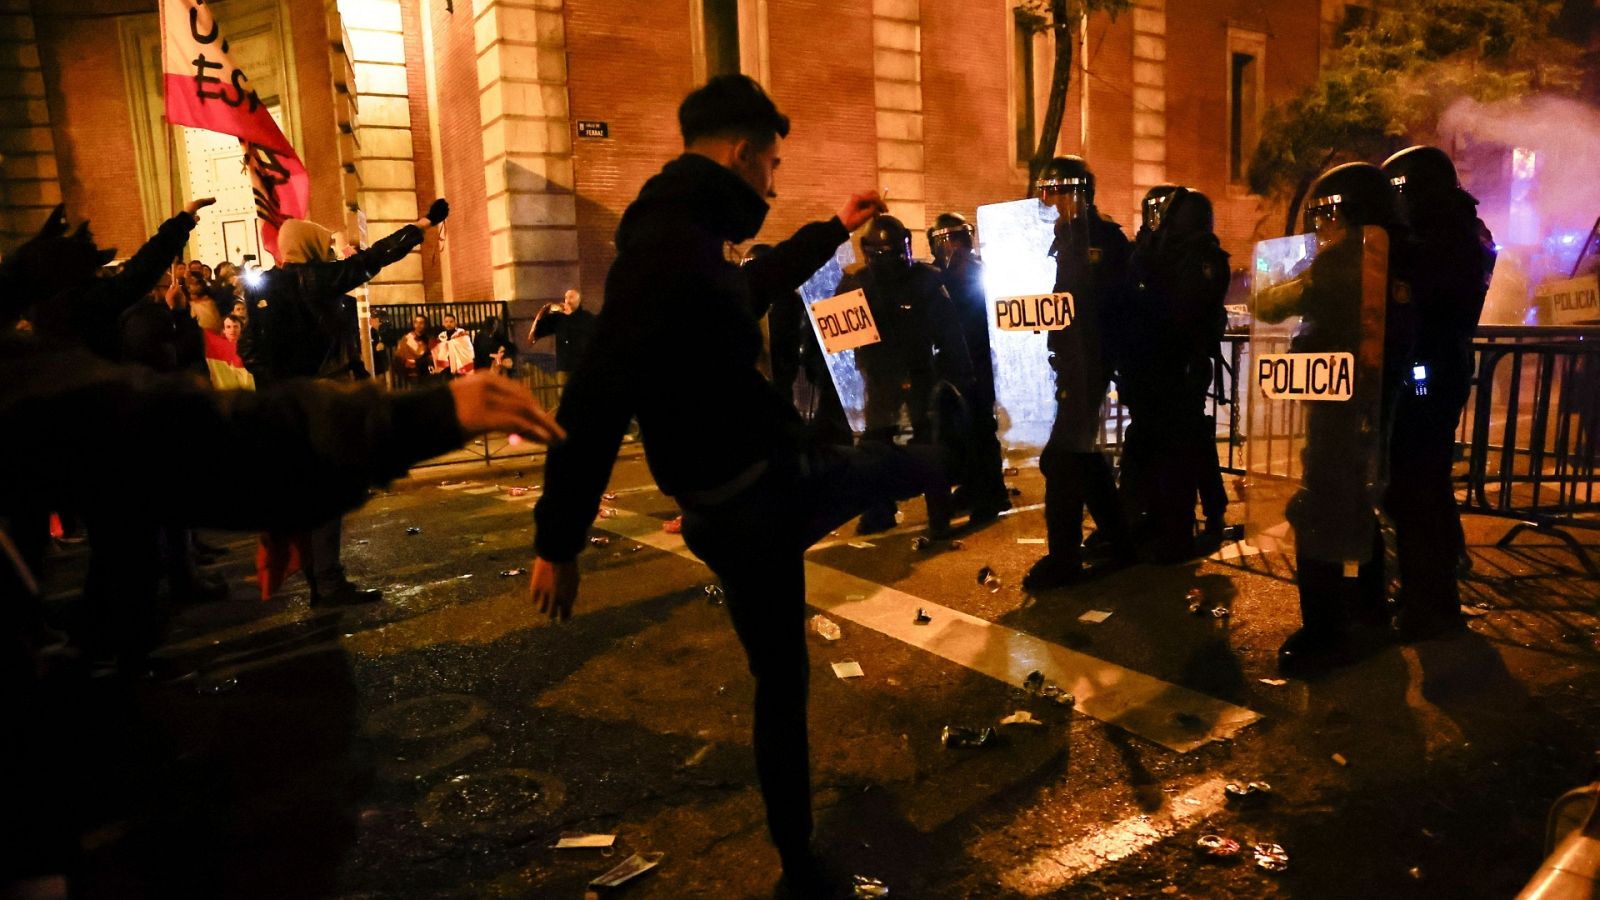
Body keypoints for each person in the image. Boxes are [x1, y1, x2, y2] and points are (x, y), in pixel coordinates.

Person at [528, 74, 950, 895]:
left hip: (740, 502)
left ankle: (799, 858)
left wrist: (833, 230)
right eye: (771, 167)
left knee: (782, 674)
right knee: (908, 464)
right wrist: (558, 539)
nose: (773, 183)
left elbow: (748, 289)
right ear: (742, 152)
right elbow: (597, 398)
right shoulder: (665, 252)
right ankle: (799, 866)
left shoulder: (683, 239)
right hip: (755, 502)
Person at [239, 202, 450, 607]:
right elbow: (375, 257)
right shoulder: (314, 279)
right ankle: (329, 582)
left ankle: (320, 582)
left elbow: (248, 348)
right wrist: (423, 223)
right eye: (327, 247)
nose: (333, 254)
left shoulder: (264, 286)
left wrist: (276, 388)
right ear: (310, 248)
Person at [1256, 162, 1411, 675]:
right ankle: (1367, 611)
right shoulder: (1391, 263)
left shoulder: (1343, 262)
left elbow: (1269, 303)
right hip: (1367, 406)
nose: (1321, 225)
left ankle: (1326, 632)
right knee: (1355, 502)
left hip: (1338, 412)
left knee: (1319, 508)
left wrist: (1282, 274)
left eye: (1327, 213)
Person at [1381, 145, 1496, 642]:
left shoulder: (1448, 235)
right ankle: (1432, 584)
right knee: (1421, 483)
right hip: (1433, 365)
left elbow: (1428, 292)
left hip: (1429, 368)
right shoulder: (1456, 228)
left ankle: (1431, 602)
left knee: (1415, 485)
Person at [1023, 156, 1135, 591]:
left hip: (1091, 361)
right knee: (1082, 456)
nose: (1048, 203)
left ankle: (1064, 558)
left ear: (1076, 193)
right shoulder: (1058, 237)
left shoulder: (1102, 238)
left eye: (1053, 193)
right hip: (1068, 361)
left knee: (1062, 459)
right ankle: (1121, 540)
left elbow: (1112, 304)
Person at [840, 214, 970, 535]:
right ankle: (879, 510)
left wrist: (959, 373)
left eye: (892, 254)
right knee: (876, 444)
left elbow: (950, 333)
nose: (886, 262)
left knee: (927, 443)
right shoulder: (856, 285)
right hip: (880, 376)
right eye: (880, 255)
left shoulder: (925, 282)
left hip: (920, 372)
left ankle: (936, 514)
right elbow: (837, 336)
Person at [1120, 187, 1231, 560]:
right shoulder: (1164, 251)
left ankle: (1179, 533)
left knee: (1178, 450)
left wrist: (1151, 259)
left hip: (1180, 368)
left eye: (1159, 214)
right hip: (1152, 367)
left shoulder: (1203, 258)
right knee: (1159, 445)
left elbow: (1178, 312)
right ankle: (1155, 522)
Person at [928, 211, 1011, 522]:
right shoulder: (945, 277)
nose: (950, 249)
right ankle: (973, 488)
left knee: (979, 431)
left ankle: (991, 496)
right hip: (957, 364)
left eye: (953, 241)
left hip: (976, 364)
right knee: (962, 434)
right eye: (944, 242)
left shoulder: (975, 275)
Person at [529, 289, 597, 374]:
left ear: (579, 300)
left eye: (571, 297)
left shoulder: (587, 317)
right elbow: (537, 331)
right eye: (566, 298)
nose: (567, 301)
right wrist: (545, 311)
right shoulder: (558, 318)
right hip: (564, 368)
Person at [394, 313, 436, 385]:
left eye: (421, 323)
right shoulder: (407, 338)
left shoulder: (429, 339)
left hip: (426, 372)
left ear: (425, 325)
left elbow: (433, 357)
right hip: (412, 372)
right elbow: (399, 355)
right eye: (416, 322)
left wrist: (418, 361)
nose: (418, 325)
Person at [433, 312, 475, 378]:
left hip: (460, 365)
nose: (448, 324)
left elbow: (468, 349)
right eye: (446, 322)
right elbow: (438, 353)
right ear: (443, 323)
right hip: (446, 367)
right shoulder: (441, 336)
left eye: (451, 321)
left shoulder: (461, 334)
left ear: (455, 322)